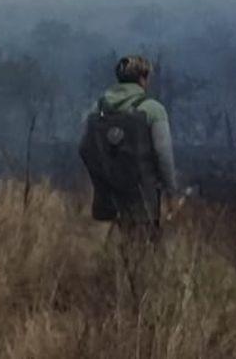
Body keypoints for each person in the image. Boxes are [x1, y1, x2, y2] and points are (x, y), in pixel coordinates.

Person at [78, 55, 182, 235]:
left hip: (107, 194)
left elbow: (84, 147)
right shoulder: (152, 109)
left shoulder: (97, 108)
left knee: (112, 245)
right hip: (142, 197)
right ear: (143, 78)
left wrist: (101, 176)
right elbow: (163, 155)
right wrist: (171, 193)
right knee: (143, 250)